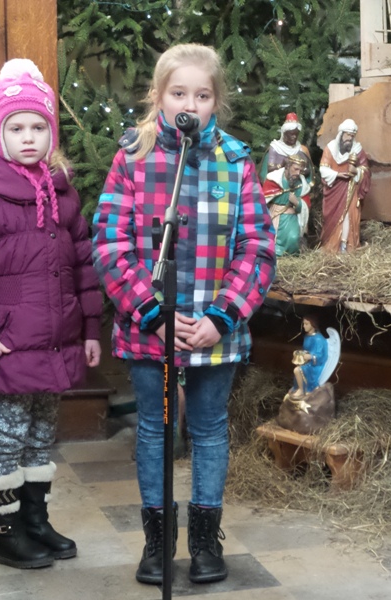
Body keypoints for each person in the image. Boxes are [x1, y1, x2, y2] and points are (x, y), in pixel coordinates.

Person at [91, 43, 276, 586]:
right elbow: (110, 244)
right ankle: (157, 543)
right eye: (178, 93)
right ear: (158, 96)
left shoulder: (235, 162)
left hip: (215, 330)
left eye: (202, 95)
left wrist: (222, 316)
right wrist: (154, 314)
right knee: (154, 430)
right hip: (153, 328)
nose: (189, 105)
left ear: (216, 101)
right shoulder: (133, 158)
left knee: (210, 429)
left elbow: (257, 247)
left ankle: (204, 542)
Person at [0, 59, 102, 570]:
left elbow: (84, 266)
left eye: (38, 127)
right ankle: (1, 533)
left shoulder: (62, 194)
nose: (29, 137)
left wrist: (91, 329)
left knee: (41, 434)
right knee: (8, 437)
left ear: (51, 134)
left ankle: (34, 520)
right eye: (17, 128)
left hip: (56, 342)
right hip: (8, 345)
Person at [318, 119, 371, 253]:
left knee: (349, 216)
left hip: (351, 188)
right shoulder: (330, 149)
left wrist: (356, 172)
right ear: (341, 134)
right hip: (334, 188)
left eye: (352, 136)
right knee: (332, 217)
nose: (349, 139)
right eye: (347, 135)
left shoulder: (357, 150)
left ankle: (347, 245)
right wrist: (338, 175)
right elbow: (323, 169)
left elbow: (365, 170)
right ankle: (331, 245)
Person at [262, 154, 312, 256]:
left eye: (300, 170)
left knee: (293, 238)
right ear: (287, 167)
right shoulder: (274, 180)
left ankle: (290, 256)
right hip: (274, 214)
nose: (298, 173)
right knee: (272, 238)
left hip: (291, 216)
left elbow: (306, 205)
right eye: (295, 169)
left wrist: (297, 202)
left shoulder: (301, 184)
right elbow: (263, 200)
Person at [259, 112, 313, 184]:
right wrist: (283, 164)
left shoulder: (300, 149)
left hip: (297, 183)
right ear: (284, 134)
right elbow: (270, 169)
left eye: (296, 134)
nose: (294, 137)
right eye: (291, 134)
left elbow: (307, 170)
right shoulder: (276, 148)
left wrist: (301, 170)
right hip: (278, 183)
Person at [289, 315, 329, 399]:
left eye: (306, 324)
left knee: (297, 370)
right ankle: (298, 387)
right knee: (298, 367)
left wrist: (311, 356)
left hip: (315, 365)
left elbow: (322, 356)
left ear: (313, 324)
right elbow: (306, 350)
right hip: (307, 362)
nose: (304, 326)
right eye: (303, 324)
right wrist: (300, 354)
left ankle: (302, 390)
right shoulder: (307, 336)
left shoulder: (318, 339)